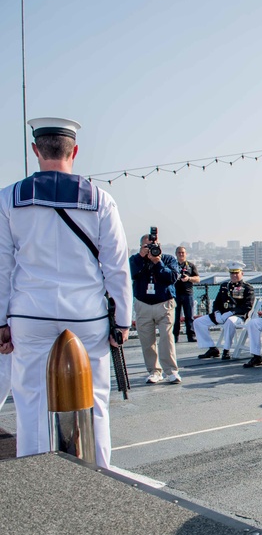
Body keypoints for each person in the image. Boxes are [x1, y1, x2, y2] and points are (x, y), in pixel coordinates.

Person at [0, 117, 131, 469]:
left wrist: (1, 322)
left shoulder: (9, 198)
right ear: (74, 151)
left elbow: (2, 267)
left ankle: (38, 477)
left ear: (35, 151)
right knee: (95, 400)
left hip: (30, 314)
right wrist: (122, 321)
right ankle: (100, 474)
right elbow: (116, 266)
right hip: (86, 315)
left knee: (30, 402)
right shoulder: (100, 199)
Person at [130, 230, 181, 384]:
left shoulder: (168, 259)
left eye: (154, 245)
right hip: (143, 304)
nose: (151, 248)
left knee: (167, 338)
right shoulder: (135, 260)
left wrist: (157, 263)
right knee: (147, 341)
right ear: (141, 246)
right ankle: (154, 371)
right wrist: (141, 257)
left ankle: (171, 371)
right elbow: (130, 273)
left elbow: (172, 277)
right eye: (147, 246)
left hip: (164, 303)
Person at [194, 261, 255, 360]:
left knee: (229, 321)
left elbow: (247, 306)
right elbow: (217, 302)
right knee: (198, 322)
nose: (234, 275)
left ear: (242, 273)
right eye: (232, 273)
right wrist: (217, 312)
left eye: (236, 273)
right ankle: (211, 348)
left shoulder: (247, 288)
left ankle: (226, 350)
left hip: (238, 316)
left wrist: (232, 312)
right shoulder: (224, 286)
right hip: (222, 315)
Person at [173, 246, 200, 343]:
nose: (181, 254)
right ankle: (174, 336)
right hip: (175, 294)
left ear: (186, 254)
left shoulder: (191, 265)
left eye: (182, 253)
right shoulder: (173, 265)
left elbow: (197, 279)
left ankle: (191, 335)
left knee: (189, 316)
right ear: (176, 254)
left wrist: (188, 278)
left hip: (188, 294)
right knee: (175, 317)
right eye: (179, 252)